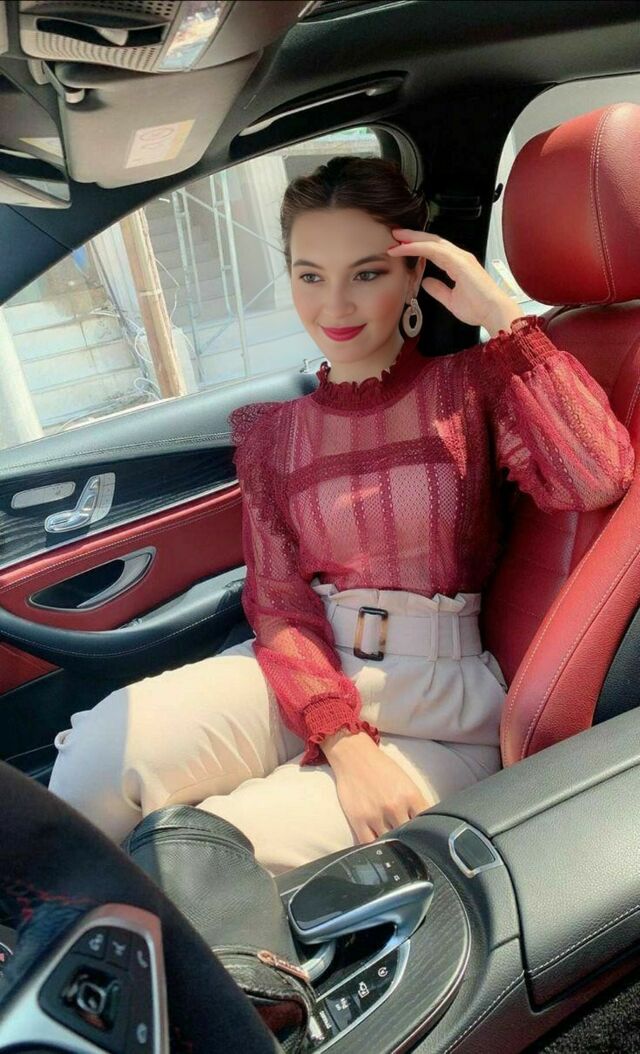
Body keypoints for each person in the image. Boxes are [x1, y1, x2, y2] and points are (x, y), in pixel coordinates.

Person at [48, 156, 634, 875]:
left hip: (441, 707)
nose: (334, 306)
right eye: (310, 276)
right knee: (100, 753)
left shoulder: (472, 387)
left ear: (414, 275)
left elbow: (596, 475)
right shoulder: (273, 436)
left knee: (205, 862)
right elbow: (279, 605)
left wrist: (501, 316)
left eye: (367, 273)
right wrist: (342, 738)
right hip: (308, 670)